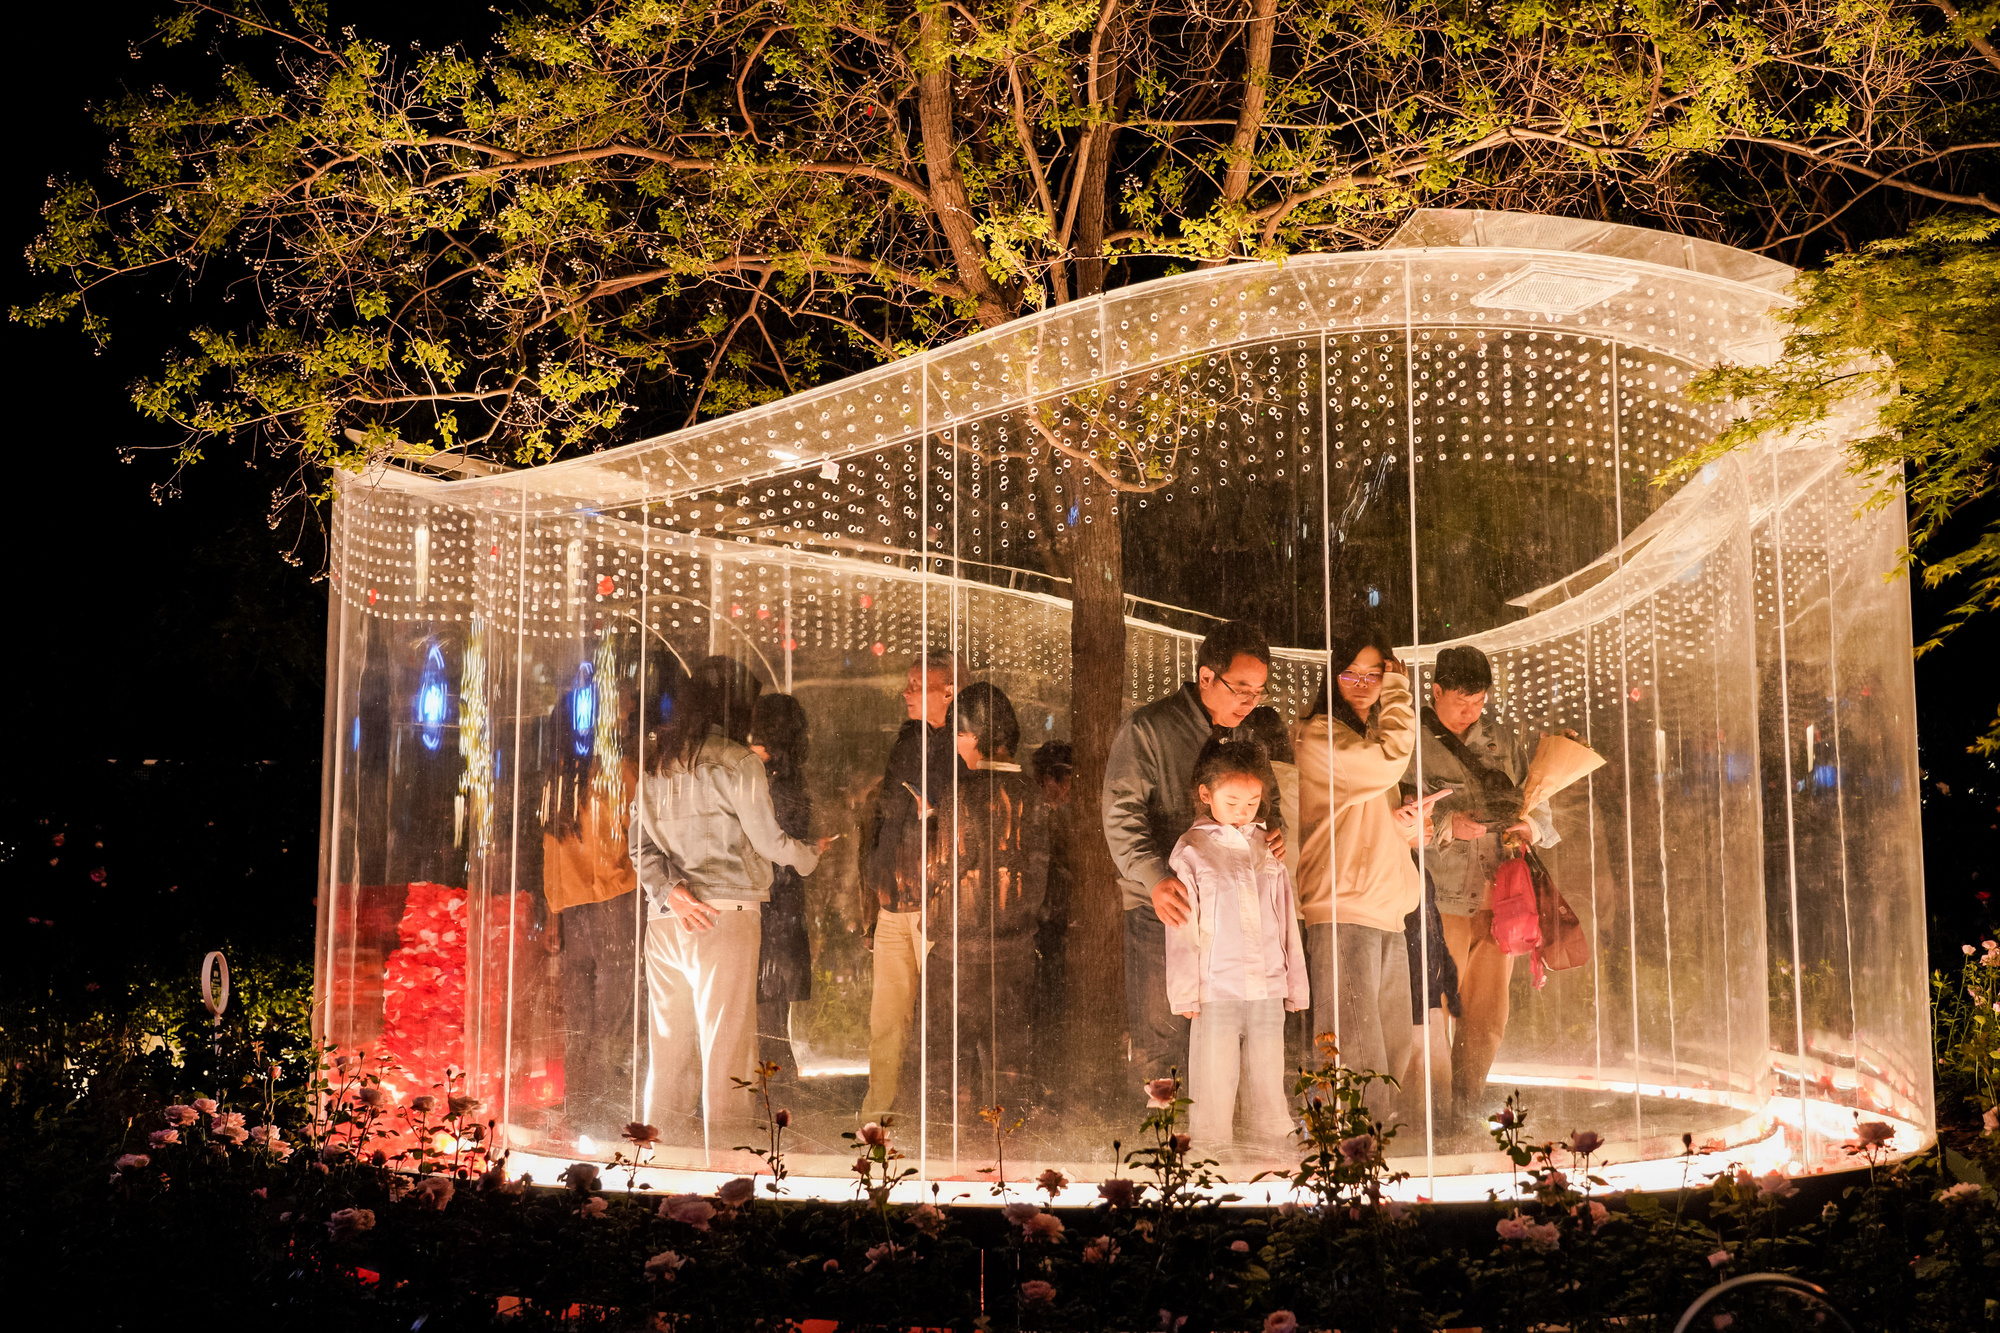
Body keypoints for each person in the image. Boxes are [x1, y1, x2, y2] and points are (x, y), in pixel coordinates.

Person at [631, 656, 832, 1162]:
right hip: (727, 914)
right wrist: (809, 856)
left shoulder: (656, 761)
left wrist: (670, 891)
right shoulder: (738, 762)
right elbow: (768, 840)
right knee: (729, 1046)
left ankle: (655, 1161)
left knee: (668, 1048)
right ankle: (729, 1165)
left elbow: (638, 847)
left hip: (667, 919)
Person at [1103, 621, 1286, 1091]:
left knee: (1223, 1037)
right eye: (1241, 689)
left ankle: (1214, 1125)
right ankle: (1164, 1126)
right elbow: (1122, 813)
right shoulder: (1149, 729)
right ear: (1206, 677)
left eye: (1258, 692)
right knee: (1162, 1032)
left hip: (1231, 914)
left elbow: (1270, 803)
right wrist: (1154, 877)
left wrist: (1275, 831)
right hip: (1165, 905)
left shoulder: (1248, 739)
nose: (1250, 702)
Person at [1404, 644, 1558, 1122]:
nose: (1470, 712)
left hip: (1499, 901)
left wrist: (1528, 827)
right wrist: (1449, 824)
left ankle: (1466, 1106)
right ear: (1436, 691)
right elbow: (1394, 816)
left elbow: (1541, 808)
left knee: (1487, 1015)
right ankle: (1430, 1113)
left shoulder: (1502, 741)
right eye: (1460, 702)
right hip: (1439, 899)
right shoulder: (1410, 740)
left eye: (1479, 702)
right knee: (1432, 1013)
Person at [1292, 622, 1420, 1123]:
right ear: (1332, 677)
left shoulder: (1364, 737)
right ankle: (1349, 1152)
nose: (1364, 684)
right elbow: (1389, 760)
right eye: (1352, 673)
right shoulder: (1319, 735)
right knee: (1355, 1054)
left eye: (1375, 674)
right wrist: (1399, 690)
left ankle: (1362, 1146)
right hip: (1344, 907)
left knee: (1390, 1050)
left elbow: (1369, 814)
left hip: (1384, 908)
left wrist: (1408, 827)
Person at [1165, 739, 1309, 1155]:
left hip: (1267, 983)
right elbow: (1181, 926)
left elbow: (1285, 915)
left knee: (1269, 1073)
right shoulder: (1191, 850)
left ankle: (1274, 1152)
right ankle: (1210, 1155)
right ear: (1205, 794)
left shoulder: (1267, 844)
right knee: (1214, 1076)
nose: (1243, 811)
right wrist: (1184, 991)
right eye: (1231, 802)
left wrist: (1295, 985)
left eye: (1252, 802)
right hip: (1216, 986)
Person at [923, 683, 1049, 1112]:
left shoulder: (962, 792)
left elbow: (946, 869)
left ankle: (958, 1141)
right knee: (1008, 1070)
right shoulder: (1033, 793)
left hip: (960, 954)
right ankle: (1005, 1143)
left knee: (952, 1072)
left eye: (959, 734)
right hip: (1016, 952)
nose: (957, 744)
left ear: (975, 735)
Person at [859, 650, 970, 1122]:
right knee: (887, 1019)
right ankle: (878, 1116)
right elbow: (885, 823)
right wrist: (877, 889)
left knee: (933, 1020)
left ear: (949, 693)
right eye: (908, 683)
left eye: (918, 685)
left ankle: (932, 1118)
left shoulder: (961, 747)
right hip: (898, 901)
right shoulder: (910, 743)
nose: (906, 692)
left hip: (933, 902)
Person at [542, 653, 641, 1147]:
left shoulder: (560, 777)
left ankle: (577, 1111)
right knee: (613, 1017)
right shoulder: (620, 772)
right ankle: (605, 1114)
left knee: (579, 1019)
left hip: (572, 910)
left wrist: (553, 917)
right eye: (621, 705)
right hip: (615, 903)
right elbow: (640, 839)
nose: (629, 710)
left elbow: (551, 852)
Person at [750, 693, 814, 1082]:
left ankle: (773, 1090)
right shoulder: (783, 778)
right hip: (779, 903)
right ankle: (778, 1088)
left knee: (766, 1011)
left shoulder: (758, 775)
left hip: (765, 904)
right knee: (771, 1012)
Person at [1028, 740, 1076, 1089]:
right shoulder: (1042, 818)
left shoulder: (1056, 817)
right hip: (1045, 923)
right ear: (1050, 780)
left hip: (1053, 922)